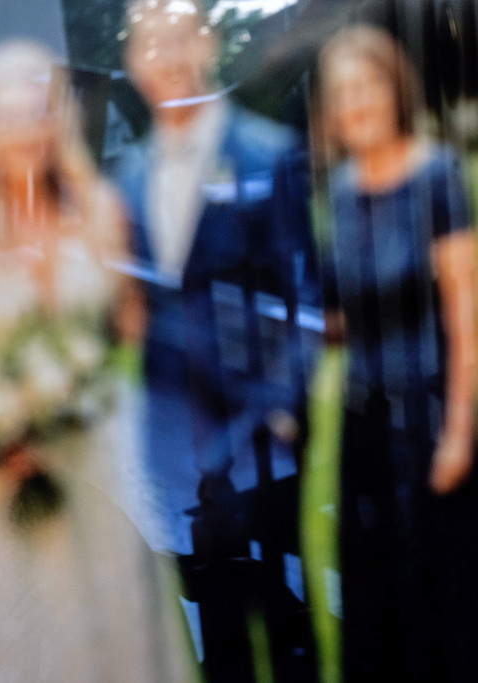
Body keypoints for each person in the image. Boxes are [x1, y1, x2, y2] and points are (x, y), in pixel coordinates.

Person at [0, 40, 192, 683]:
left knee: (115, 635)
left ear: (56, 120)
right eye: (9, 116)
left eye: (38, 113)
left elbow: (129, 327)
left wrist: (76, 382)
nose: (26, 132)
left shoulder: (99, 213)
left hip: (96, 465)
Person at [112, 0, 318, 680]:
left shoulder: (267, 155)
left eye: (178, 38)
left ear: (205, 45)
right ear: (133, 64)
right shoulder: (128, 179)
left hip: (270, 441)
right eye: (149, 44)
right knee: (221, 627)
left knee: (297, 620)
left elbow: (303, 293)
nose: (165, 58)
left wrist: (287, 405)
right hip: (177, 448)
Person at [315, 25, 478, 682]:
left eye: (368, 85)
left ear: (395, 90)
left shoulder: (437, 174)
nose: (357, 102)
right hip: (365, 421)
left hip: (433, 414)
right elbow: (342, 315)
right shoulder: (341, 193)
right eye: (343, 91)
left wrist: (460, 433)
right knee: (376, 594)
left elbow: (466, 317)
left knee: (444, 591)